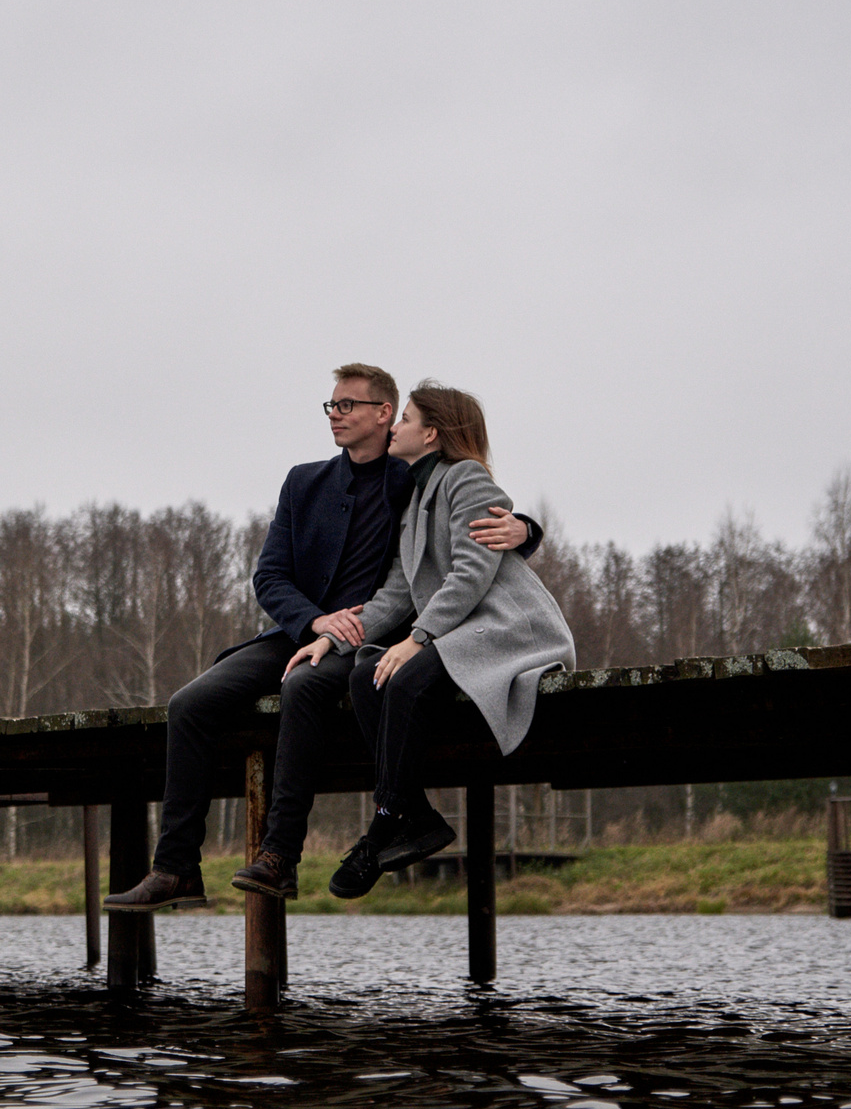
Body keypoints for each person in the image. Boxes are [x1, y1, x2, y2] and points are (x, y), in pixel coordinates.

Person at [102, 364, 540, 912]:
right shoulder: (303, 482)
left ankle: (278, 858)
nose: (335, 415)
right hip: (300, 629)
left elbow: (471, 516)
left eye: (347, 405)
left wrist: (526, 529)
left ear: (384, 413)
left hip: (372, 634)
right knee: (190, 704)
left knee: (304, 687)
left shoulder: (411, 477)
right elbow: (269, 576)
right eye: (331, 405)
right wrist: (315, 622)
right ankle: (175, 870)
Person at [280, 380, 575, 898]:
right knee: (368, 675)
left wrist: (418, 638)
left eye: (406, 419)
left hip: (506, 628)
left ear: (432, 433)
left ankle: (382, 828)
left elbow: (470, 573)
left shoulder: (467, 479)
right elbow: (398, 592)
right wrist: (336, 639)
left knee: (405, 678)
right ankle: (415, 815)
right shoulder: (415, 498)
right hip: (461, 630)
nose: (396, 427)